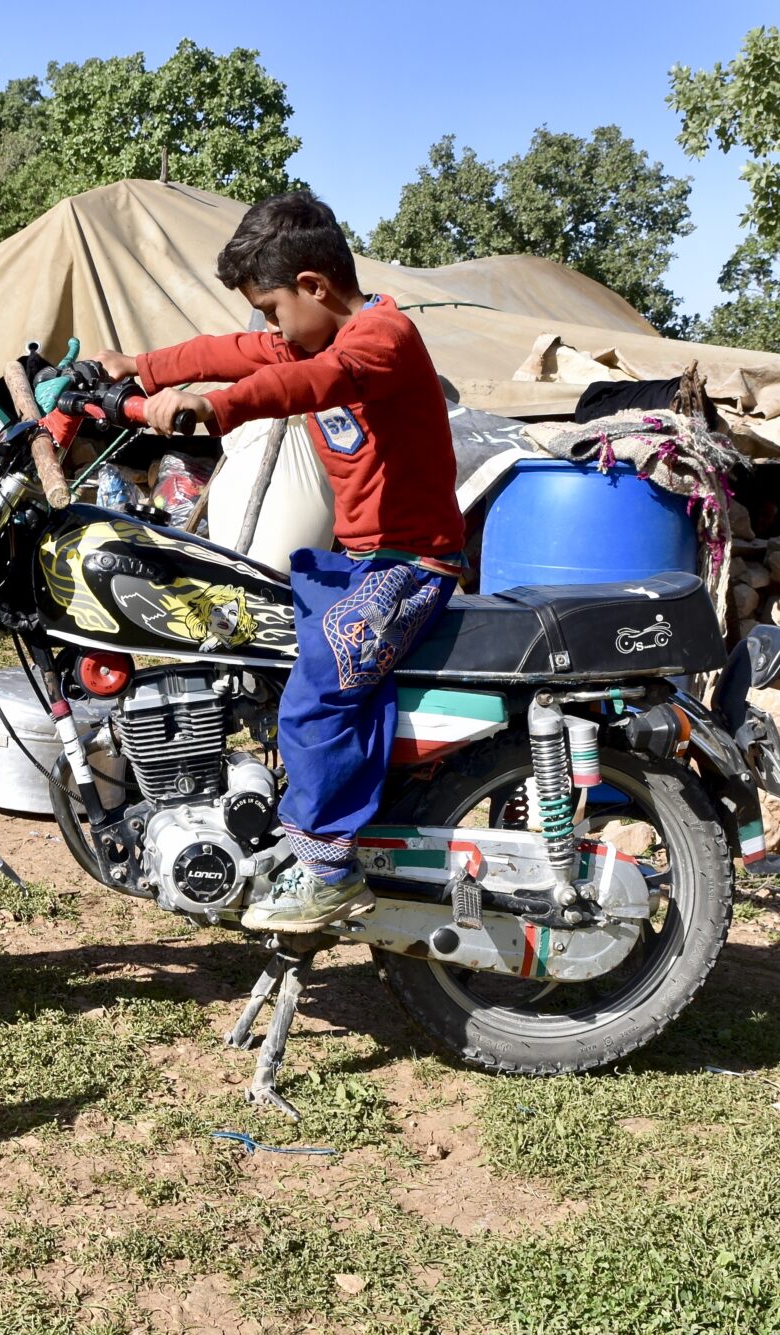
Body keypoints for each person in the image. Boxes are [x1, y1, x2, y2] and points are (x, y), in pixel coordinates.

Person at [93, 190, 465, 932]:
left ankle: (329, 869)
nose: (267, 327)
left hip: (413, 562)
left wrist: (214, 409)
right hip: (356, 560)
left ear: (314, 287)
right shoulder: (310, 336)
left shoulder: (379, 338)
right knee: (263, 665)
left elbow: (307, 385)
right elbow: (225, 351)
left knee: (318, 689)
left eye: (271, 308)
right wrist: (141, 368)